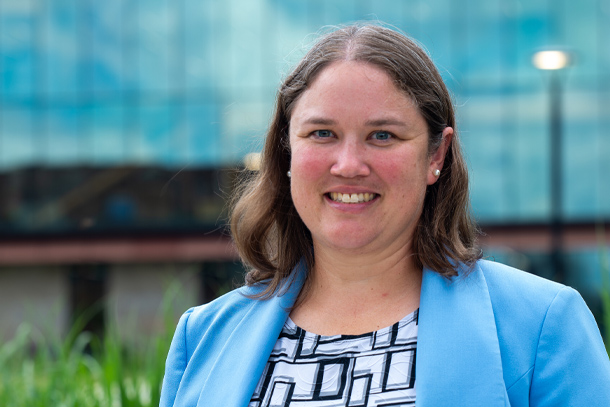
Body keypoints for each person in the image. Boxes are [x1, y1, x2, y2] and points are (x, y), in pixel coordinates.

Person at [160, 24, 610, 407]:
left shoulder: (543, 325)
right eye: (322, 133)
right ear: (288, 152)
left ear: (437, 154)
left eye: (382, 135)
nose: (349, 164)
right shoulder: (203, 337)